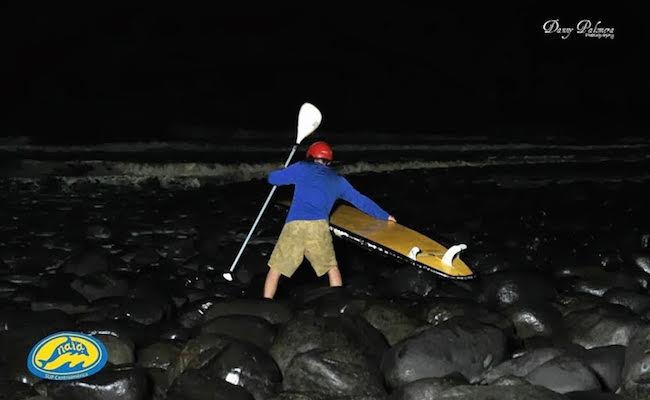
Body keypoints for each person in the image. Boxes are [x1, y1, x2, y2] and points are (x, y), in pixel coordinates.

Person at [263, 141, 396, 299]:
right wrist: (385, 215)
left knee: (276, 270)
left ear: (310, 156)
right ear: (329, 160)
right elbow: (361, 200)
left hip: (295, 226)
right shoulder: (338, 180)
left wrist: (282, 170)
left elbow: (273, 179)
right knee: (331, 269)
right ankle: (338, 302)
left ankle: (266, 302)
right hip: (319, 228)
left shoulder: (301, 167)